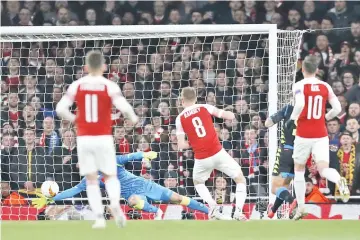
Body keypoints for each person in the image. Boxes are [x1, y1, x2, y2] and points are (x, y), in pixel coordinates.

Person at [56, 50, 138, 229]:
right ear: (104, 67)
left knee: (91, 179)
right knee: (110, 176)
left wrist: (75, 119)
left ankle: (100, 218)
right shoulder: (109, 85)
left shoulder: (77, 85)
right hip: (103, 137)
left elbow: (60, 108)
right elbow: (124, 107)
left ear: (85, 67)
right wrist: (133, 118)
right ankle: (115, 204)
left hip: (85, 138)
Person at [32, 151, 209, 220]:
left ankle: (210, 211)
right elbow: (74, 190)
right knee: (132, 201)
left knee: (177, 198)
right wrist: (51, 198)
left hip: (144, 185)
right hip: (131, 194)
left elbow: (130, 156)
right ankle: (157, 212)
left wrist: (144, 154)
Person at [285, 55, 350, 220]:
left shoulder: (299, 85)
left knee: (299, 171)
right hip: (321, 134)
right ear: (316, 70)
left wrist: (292, 119)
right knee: (323, 169)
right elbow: (337, 108)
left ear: (303, 70)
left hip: (304, 134)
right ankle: (339, 180)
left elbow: (299, 104)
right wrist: (326, 117)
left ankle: (301, 208)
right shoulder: (325, 86)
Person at [175, 87, 247, 221]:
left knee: (198, 182)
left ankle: (212, 206)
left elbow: (181, 145)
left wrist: (194, 142)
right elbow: (229, 116)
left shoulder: (179, 119)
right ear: (195, 98)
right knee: (240, 179)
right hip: (218, 153)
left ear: (182, 100)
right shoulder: (204, 107)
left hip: (202, 158)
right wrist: (232, 113)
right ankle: (238, 212)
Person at [264, 104, 296, 219]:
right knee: (284, 186)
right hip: (300, 154)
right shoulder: (309, 113)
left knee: (274, 189)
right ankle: (273, 211)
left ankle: (291, 201)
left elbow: (268, 123)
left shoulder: (289, 109)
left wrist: (277, 116)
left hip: (286, 151)